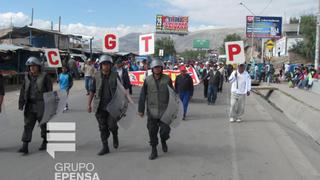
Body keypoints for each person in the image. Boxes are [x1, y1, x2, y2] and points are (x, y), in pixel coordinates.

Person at [138, 59, 173, 160]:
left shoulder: (167, 79)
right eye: (155, 68)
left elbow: (173, 94)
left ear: (162, 68)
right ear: (152, 69)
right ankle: (154, 149)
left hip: (164, 111)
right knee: (152, 131)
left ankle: (163, 140)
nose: (157, 69)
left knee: (165, 131)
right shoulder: (148, 80)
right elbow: (142, 95)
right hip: (152, 111)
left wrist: (175, 109)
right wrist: (141, 109)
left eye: (159, 67)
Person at [18, 56, 53, 155]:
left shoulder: (45, 76)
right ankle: (25, 146)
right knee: (27, 125)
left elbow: (49, 91)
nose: (32, 68)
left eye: (34, 66)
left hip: (41, 105)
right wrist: (21, 103)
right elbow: (22, 90)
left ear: (38, 66)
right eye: (30, 66)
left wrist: (49, 105)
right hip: (29, 105)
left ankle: (45, 141)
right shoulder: (27, 76)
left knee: (43, 125)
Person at [88, 55, 119, 156]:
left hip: (112, 107)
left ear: (111, 65)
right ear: (101, 65)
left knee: (112, 125)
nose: (106, 66)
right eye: (104, 64)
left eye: (108, 64)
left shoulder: (115, 75)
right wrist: (89, 104)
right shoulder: (96, 75)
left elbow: (122, 90)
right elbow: (92, 91)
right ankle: (105, 147)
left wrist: (125, 103)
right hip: (100, 107)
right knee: (102, 127)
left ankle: (115, 134)